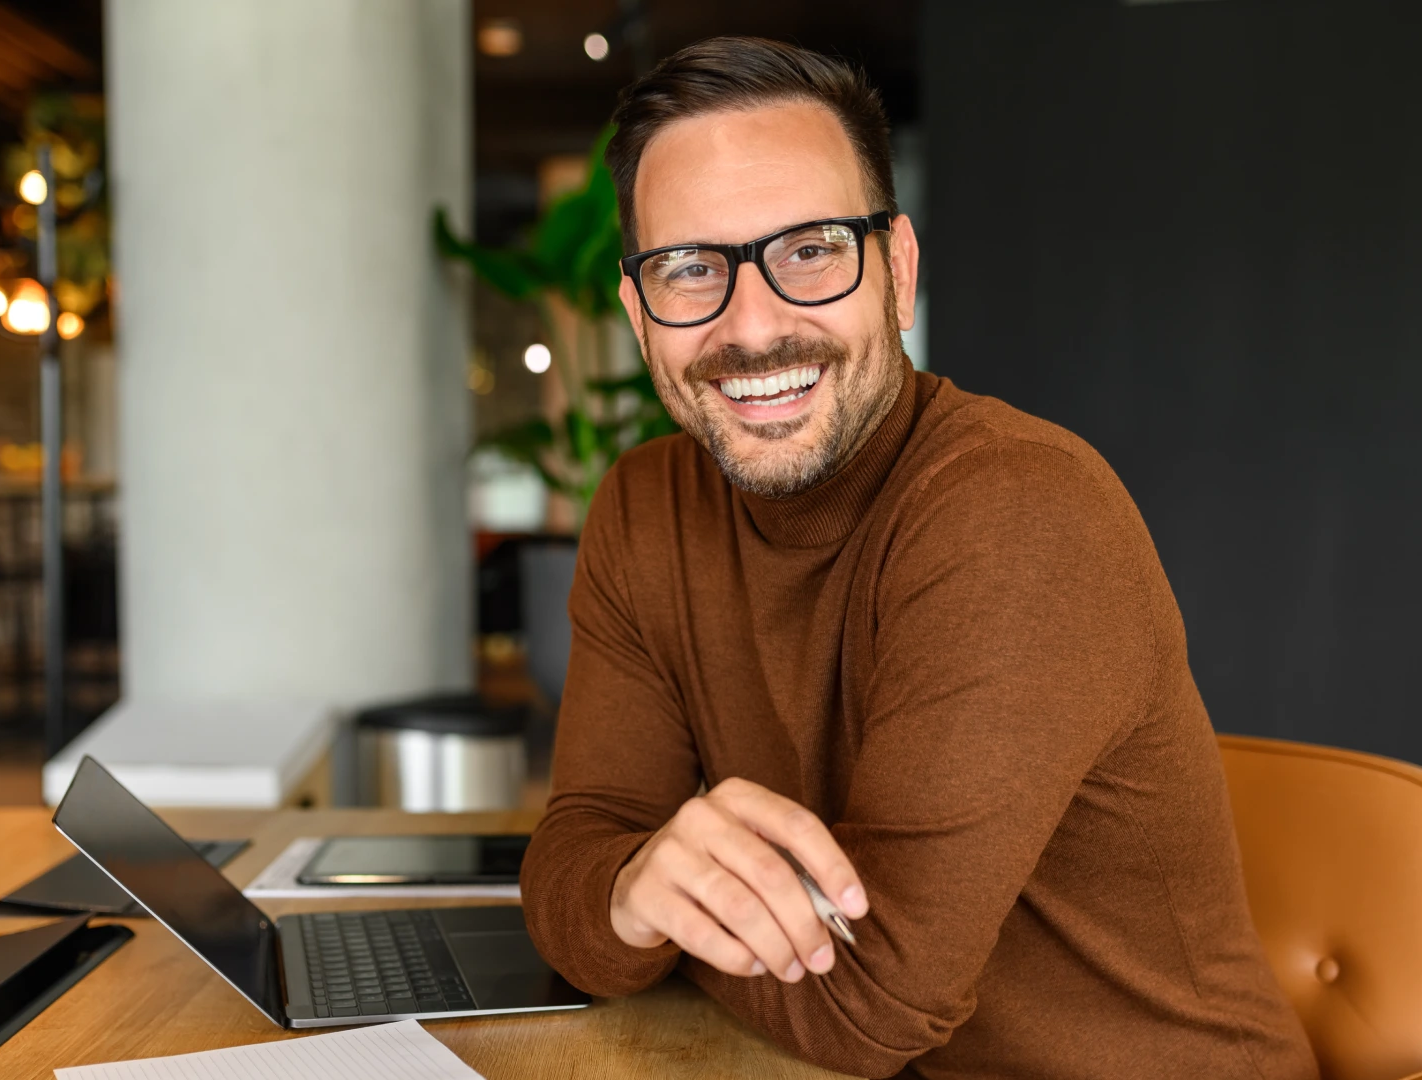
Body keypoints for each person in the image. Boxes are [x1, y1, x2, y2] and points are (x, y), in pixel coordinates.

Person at [517, 36, 1319, 1080]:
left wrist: (647, 924)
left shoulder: (1019, 510)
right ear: (639, 314)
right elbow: (580, 849)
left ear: (895, 270)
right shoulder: (643, 506)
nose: (752, 327)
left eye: (809, 249)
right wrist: (628, 891)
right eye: (690, 268)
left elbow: (873, 1002)